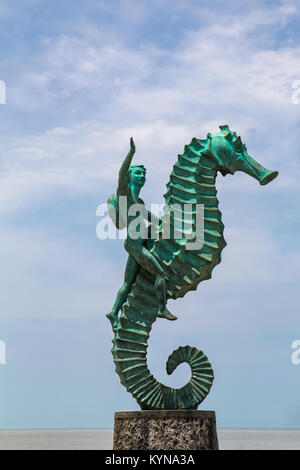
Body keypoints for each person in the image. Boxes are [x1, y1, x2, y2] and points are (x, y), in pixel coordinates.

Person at [106, 137, 177, 331]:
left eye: (144, 174)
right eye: (138, 173)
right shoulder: (125, 195)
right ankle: (162, 308)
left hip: (135, 245)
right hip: (135, 246)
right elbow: (121, 174)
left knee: (128, 283)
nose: (142, 176)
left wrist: (171, 223)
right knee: (160, 273)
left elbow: (156, 221)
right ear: (130, 176)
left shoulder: (140, 202)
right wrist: (131, 153)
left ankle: (113, 312)